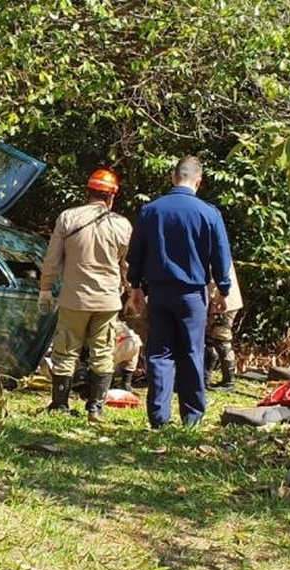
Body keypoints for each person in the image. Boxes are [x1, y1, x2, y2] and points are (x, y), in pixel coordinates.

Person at [126, 156, 233, 428]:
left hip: (159, 292)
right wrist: (223, 289)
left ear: (173, 178)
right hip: (192, 295)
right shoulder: (209, 213)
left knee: (159, 353)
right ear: (199, 181)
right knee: (191, 351)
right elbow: (221, 256)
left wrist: (135, 287)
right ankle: (192, 417)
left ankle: (159, 417)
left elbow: (135, 252)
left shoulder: (151, 210)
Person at [37, 168, 133, 422]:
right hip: (108, 300)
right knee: (102, 352)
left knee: (66, 350)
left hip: (74, 299)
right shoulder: (122, 225)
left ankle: (59, 405)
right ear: (111, 197)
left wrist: (45, 289)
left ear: (87, 192)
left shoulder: (68, 218)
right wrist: (133, 293)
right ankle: (95, 408)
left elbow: (52, 260)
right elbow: (127, 267)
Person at [205, 262, 243, 390]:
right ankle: (205, 377)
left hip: (223, 302)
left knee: (222, 341)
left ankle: (229, 381)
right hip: (220, 300)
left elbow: (213, 281)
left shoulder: (211, 251)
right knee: (210, 340)